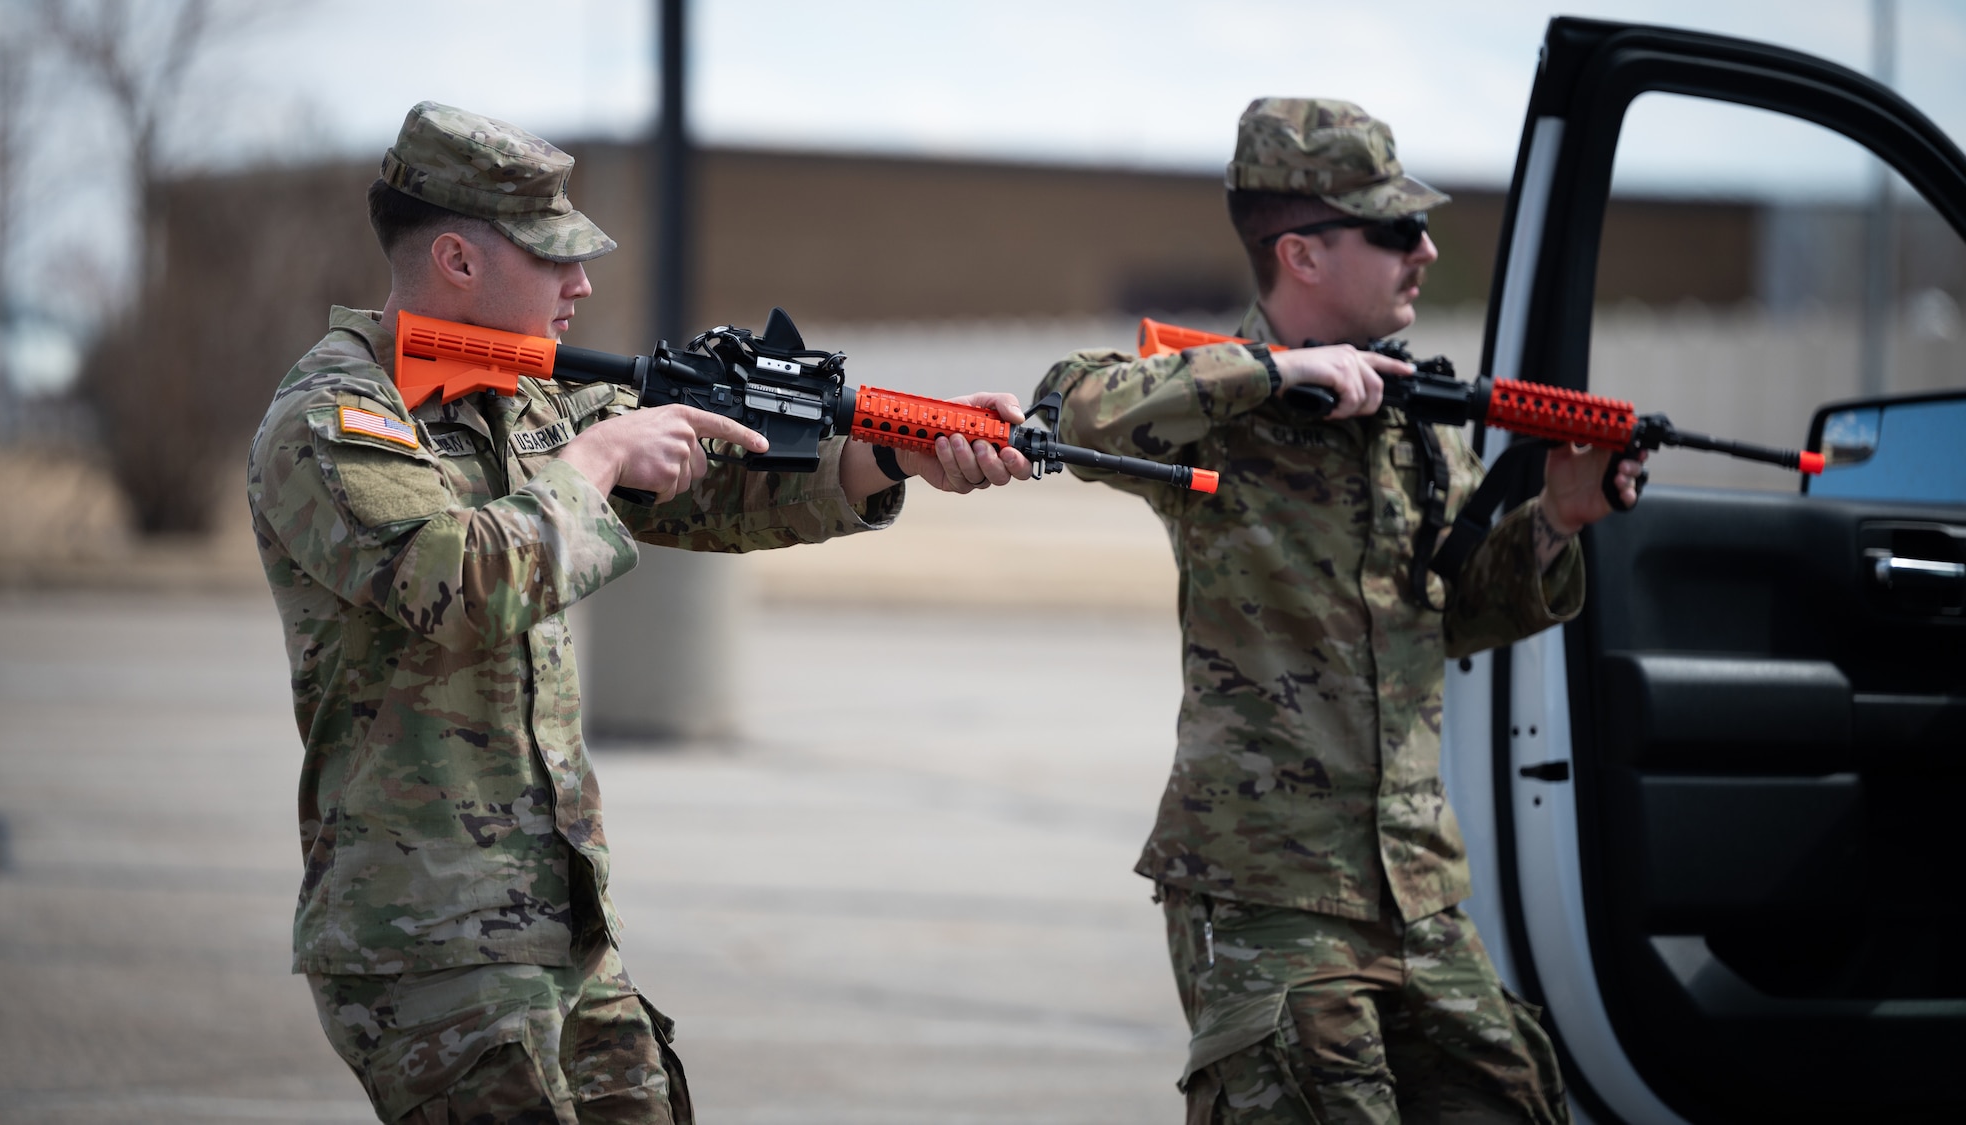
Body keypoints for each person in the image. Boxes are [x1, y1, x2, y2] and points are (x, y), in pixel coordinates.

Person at [247, 101, 1032, 1125]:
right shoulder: (338, 417)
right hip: (425, 934)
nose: (580, 283)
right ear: (456, 258)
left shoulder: (521, 398)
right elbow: (450, 584)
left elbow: (713, 489)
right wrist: (593, 465)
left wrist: (888, 452)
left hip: (561, 920)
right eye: (551, 256)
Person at [1032, 98, 1647, 1124]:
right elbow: (1067, 404)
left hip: (1417, 890)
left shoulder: (1414, 427)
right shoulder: (1216, 410)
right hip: (1267, 890)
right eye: (1395, 230)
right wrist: (1272, 372)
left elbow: (1450, 618)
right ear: (1301, 255)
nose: (1425, 249)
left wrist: (1552, 521)